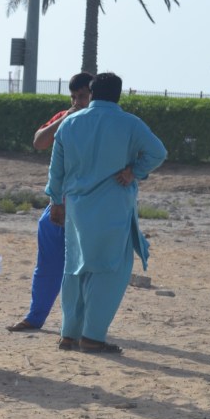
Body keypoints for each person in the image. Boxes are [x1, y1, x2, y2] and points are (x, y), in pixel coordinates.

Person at [46, 71, 166, 353]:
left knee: (75, 269)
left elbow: (56, 172)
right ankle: (92, 337)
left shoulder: (70, 123)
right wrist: (134, 171)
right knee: (110, 271)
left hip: (76, 209)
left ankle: (69, 334)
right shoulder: (130, 124)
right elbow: (158, 152)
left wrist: (55, 202)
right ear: (118, 94)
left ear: (92, 92)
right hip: (113, 209)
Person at [7, 73, 93, 333]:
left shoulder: (102, 122)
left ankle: (85, 325)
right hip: (58, 203)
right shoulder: (65, 117)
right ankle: (35, 317)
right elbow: (39, 141)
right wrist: (64, 118)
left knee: (85, 269)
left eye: (83, 96)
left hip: (88, 207)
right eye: (74, 96)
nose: (77, 101)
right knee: (47, 265)